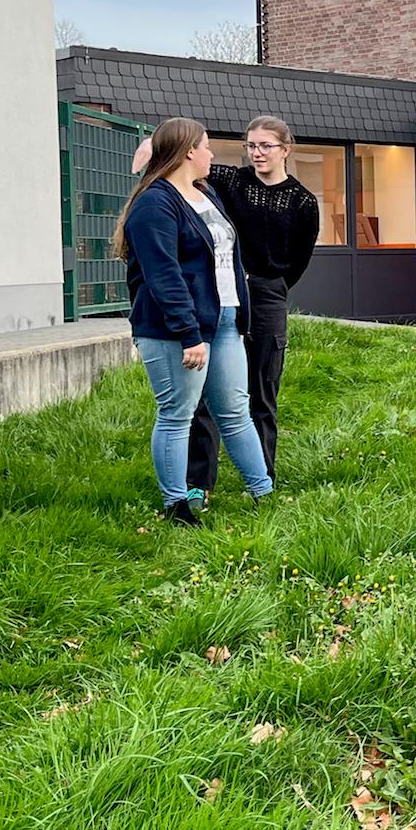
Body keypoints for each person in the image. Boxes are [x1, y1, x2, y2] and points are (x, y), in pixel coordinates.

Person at [114, 118, 273, 525]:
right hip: (175, 329)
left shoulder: (205, 193)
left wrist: (235, 316)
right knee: (177, 414)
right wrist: (189, 335)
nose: (212, 154)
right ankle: (177, 507)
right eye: (205, 147)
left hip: (223, 319)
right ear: (188, 152)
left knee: (236, 411)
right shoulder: (154, 204)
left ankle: (265, 494)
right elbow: (163, 275)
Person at [186, 118, 319, 496]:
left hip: (267, 295)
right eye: (251, 146)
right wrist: (152, 147)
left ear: (285, 150)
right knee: (206, 388)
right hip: (223, 288)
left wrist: (268, 286)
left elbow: (298, 260)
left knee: (262, 389)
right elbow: (189, 164)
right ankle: (199, 482)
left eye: (266, 146)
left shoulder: (303, 202)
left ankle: (261, 481)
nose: (257, 153)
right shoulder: (232, 181)